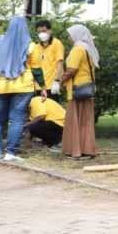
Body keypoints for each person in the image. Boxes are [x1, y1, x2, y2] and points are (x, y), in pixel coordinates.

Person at [0, 16, 44, 162]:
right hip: (22, 87)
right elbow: (36, 70)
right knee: (16, 120)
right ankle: (10, 153)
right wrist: (43, 87)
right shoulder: (31, 46)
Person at [59, 25, 99, 159]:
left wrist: (60, 81)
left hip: (77, 89)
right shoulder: (88, 49)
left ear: (77, 35)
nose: (69, 37)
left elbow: (72, 69)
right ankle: (87, 149)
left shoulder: (78, 49)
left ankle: (76, 150)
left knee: (75, 120)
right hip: (87, 88)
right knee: (85, 121)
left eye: (70, 34)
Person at [35, 20, 66, 101]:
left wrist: (57, 81)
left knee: (52, 111)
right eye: (39, 32)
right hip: (39, 86)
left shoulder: (57, 44)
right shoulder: (37, 47)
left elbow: (60, 64)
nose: (41, 34)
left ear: (50, 31)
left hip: (52, 86)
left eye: (44, 31)